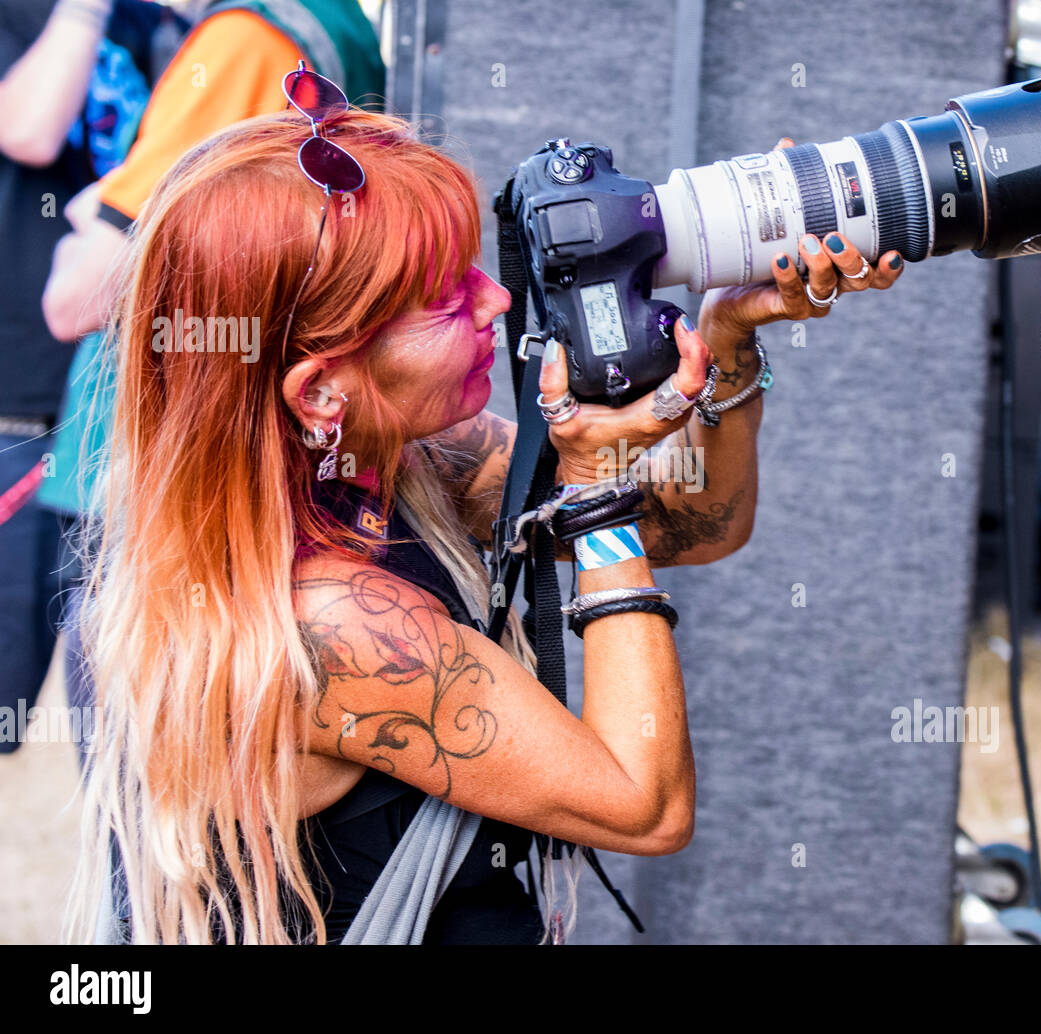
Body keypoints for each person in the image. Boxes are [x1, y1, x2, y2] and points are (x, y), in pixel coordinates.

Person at [67, 70, 904, 944]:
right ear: (320, 392)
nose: (496, 300)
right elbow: (643, 805)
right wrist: (590, 490)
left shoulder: (404, 467)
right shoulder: (328, 625)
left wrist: (730, 334)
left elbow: (702, 522)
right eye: (443, 298)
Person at [39, 0, 384, 763]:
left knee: (143, 813)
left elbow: (79, 296)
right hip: (239, 467)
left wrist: (90, 215)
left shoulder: (249, 37)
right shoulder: (334, 26)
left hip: (159, 481)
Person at [0, 0, 158, 754]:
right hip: (13, 409)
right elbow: (27, 129)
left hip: (107, 420)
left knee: (113, 723)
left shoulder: (161, 27)